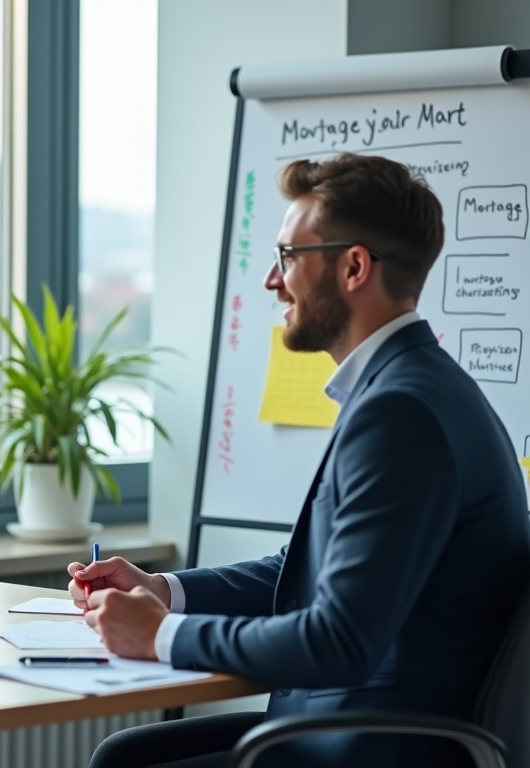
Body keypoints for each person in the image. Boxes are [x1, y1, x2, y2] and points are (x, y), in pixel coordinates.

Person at [70, 153, 530, 768]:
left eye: (289, 257)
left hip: (377, 747)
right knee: (126, 754)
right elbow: (305, 574)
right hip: (353, 726)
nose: (272, 280)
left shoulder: (401, 413)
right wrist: (165, 591)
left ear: (354, 267)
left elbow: (340, 641)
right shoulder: (413, 388)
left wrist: (159, 635)